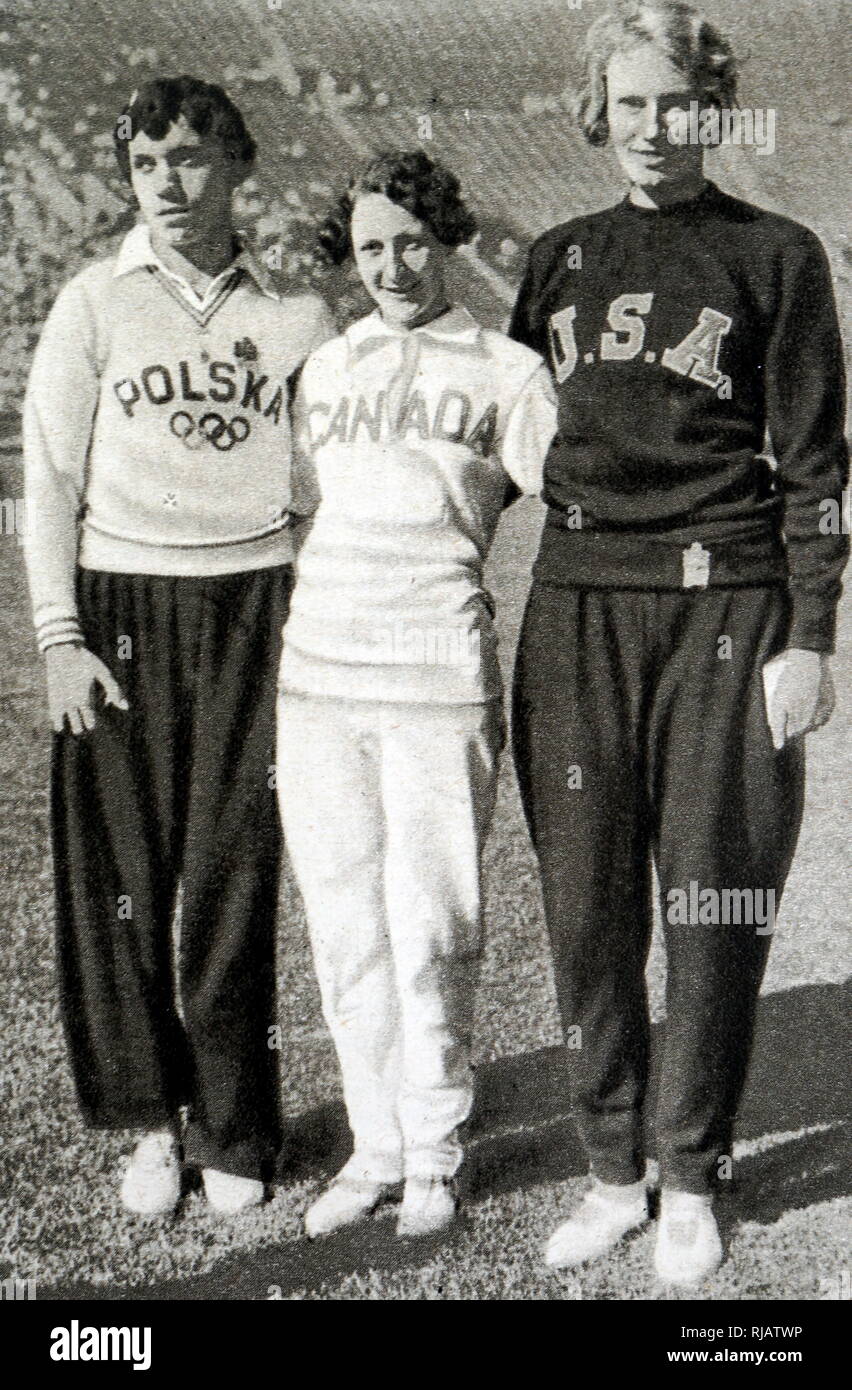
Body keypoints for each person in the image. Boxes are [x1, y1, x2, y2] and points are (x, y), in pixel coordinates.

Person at [509, 1, 848, 1285]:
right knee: (587, 902)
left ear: (711, 109)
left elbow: (816, 468)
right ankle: (613, 1167)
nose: (651, 129)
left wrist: (809, 636)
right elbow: (497, 448)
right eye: (629, 104)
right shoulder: (555, 261)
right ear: (601, 111)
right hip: (579, 603)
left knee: (712, 899)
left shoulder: (779, 257)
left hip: (725, 604)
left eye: (675, 104)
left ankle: (694, 1171)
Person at [23, 75, 334, 1218]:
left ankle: (237, 1119)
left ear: (237, 166)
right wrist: (60, 639)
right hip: (119, 611)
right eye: (148, 164)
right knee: (117, 882)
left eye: (192, 159)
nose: (169, 183)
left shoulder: (298, 316)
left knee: (233, 872)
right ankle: (149, 1120)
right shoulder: (92, 304)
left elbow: (320, 489)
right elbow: (48, 480)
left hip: (253, 609)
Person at [276, 150, 557, 1240]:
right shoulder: (329, 368)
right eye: (369, 246)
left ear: (443, 239)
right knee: (345, 925)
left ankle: (435, 1150)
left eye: (409, 240)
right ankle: (376, 1143)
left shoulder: (506, 369)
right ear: (347, 256)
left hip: (439, 673)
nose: (392, 263)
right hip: (319, 678)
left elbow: (580, 498)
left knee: (431, 922)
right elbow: (299, 511)